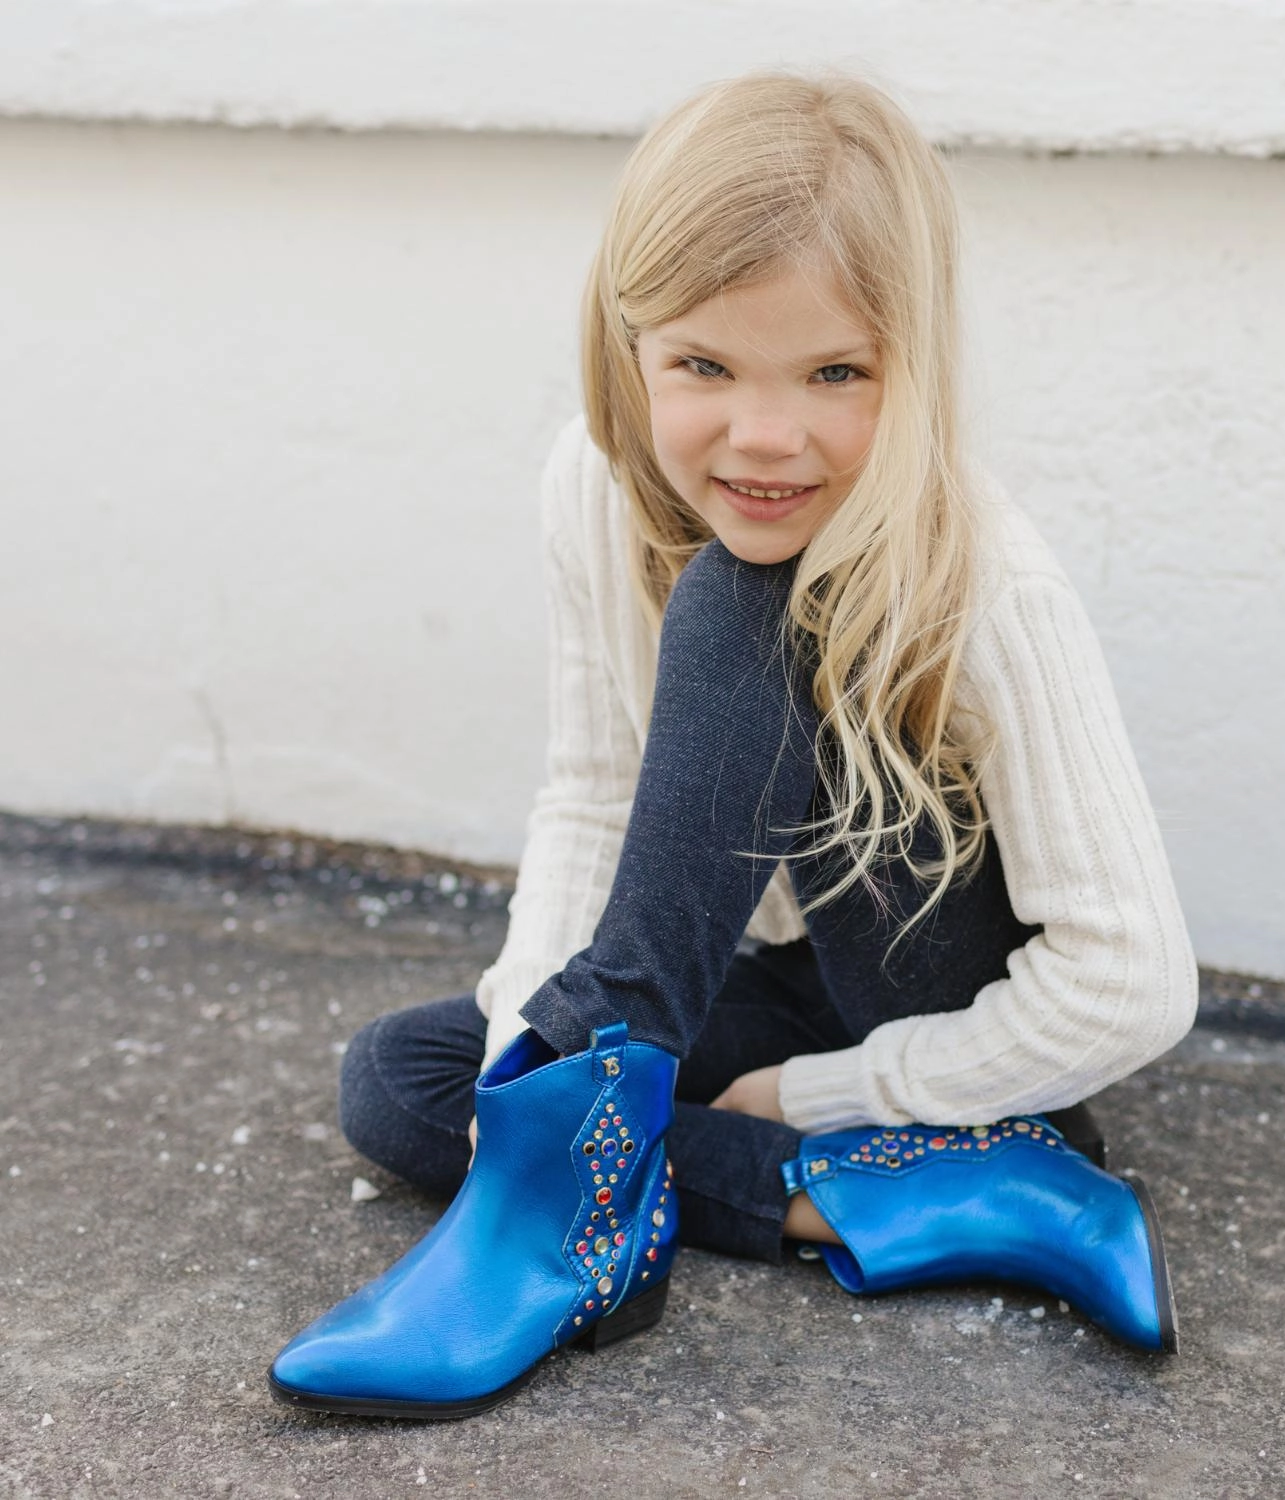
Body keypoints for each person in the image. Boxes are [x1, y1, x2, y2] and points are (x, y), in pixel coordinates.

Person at [268, 68, 1198, 1420]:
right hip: (765, 978)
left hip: (938, 1010)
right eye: (704, 365)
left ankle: (570, 1206)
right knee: (410, 1082)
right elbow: (593, 798)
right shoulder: (590, 487)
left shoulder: (990, 574)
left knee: (745, 595)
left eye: (836, 372)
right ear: (630, 342)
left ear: (914, 366)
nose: (766, 436)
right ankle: (944, 1192)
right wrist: (523, 1061)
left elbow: (1132, 983)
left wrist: (818, 1091)